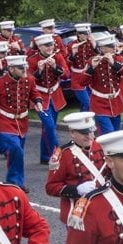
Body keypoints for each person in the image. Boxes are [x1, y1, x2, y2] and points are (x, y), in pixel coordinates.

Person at [0, 55, 42, 189]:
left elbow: (34, 93)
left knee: (16, 153)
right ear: (11, 68)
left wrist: (38, 101)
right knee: (17, 150)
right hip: (5, 122)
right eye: (21, 68)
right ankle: (15, 182)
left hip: (22, 122)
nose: (24, 70)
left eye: (25, 67)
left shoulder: (29, 79)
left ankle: (13, 179)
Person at [45, 112, 108, 223]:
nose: (90, 136)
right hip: (77, 212)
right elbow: (51, 187)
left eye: (91, 131)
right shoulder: (63, 154)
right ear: (72, 133)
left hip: (103, 206)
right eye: (84, 133)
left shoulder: (102, 147)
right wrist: (77, 190)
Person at [27, 34, 70, 165]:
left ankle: (45, 156)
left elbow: (66, 75)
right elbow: (29, 81)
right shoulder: (32, 60)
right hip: (40, 97)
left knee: (48, 128)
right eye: (47, 45)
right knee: (50, 126)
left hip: (55, 96)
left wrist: (55, 67)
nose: (50, 47)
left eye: (51, 44)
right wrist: (39, 71)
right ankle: (58, 155)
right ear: (39, 46)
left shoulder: (58, 56)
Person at [86, 33, 123, 136]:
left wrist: (113, 63)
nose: (114, 48)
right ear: (102, 48)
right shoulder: (93, 61)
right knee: (108, 135)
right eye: (111, 46)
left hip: (116, 103)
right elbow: (82, 82)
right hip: (100, 104)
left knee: (115, 134)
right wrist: (92, 68)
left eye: (114, 45)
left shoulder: (118, 59)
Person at [66, 23, 94, 112]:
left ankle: (83, 125)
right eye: (85, 34)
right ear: (78, 34)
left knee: (84, 106)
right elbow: (67, 63)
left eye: (88, 33)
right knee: (88, 103)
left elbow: (98, 57)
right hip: (77, 77)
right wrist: (73, 54)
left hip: (89, 77)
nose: (87, 36)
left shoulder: (91, 43)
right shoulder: (71, 45)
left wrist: (95, 46)